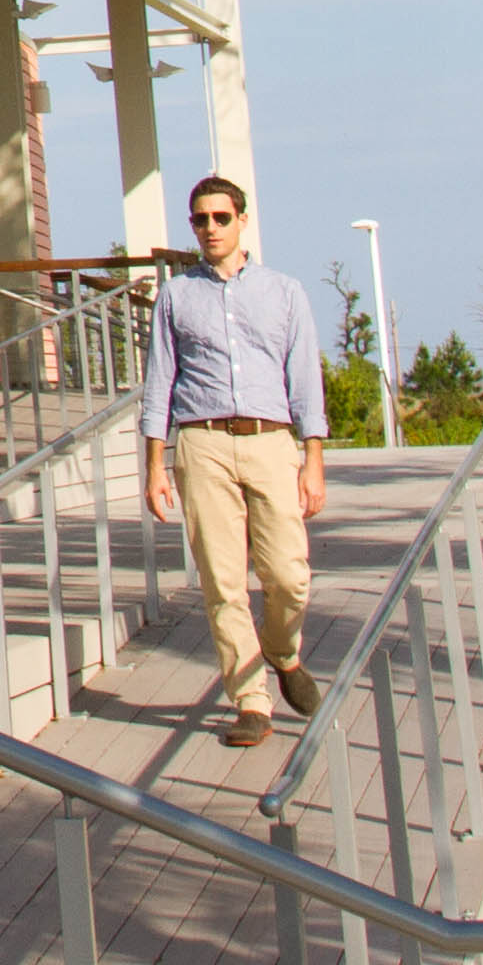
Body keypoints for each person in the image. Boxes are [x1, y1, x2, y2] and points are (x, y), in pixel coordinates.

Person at [140, 172, 327, 749]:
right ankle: (250, 701)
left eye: (221, 217)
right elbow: (159, 381)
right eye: (200, 219)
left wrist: (312, 459)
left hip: (271, 442)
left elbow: (304, 380)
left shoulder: (284, 292)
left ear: (243, 220)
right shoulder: (176, 295)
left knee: (289, 577)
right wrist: (154, 465)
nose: (210, 228)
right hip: (202, 444)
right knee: (223, 581)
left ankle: (283, 652)